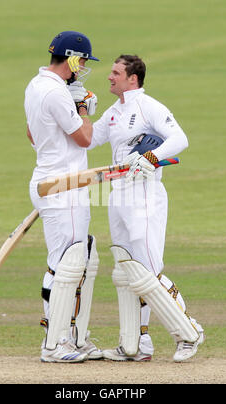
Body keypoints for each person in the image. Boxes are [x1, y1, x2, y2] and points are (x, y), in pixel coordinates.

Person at [87, 54, 204, 362]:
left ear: (132, 78)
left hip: (145, 194)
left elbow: (180, 139)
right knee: (127, 271)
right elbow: (86, 140)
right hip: (118, 194)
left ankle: (189, 331)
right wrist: (79, 108)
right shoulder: (114, 112)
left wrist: (152, 158)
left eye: (115, 72)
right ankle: (137, 344)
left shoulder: (148, 106)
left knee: (149, 273)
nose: (109, 76)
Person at [24, 31, 103, 363]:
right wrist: (82, 106)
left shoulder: (35, 85)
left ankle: (71, 337)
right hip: (62, 186)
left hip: (51, 180)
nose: (83, 67)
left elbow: (31, 132)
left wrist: (72, 104)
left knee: (73, 260)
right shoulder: (56, 92)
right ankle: (55, 344)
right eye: (82, 60)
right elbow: (85, 137)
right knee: (67, 264)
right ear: (72, 59)